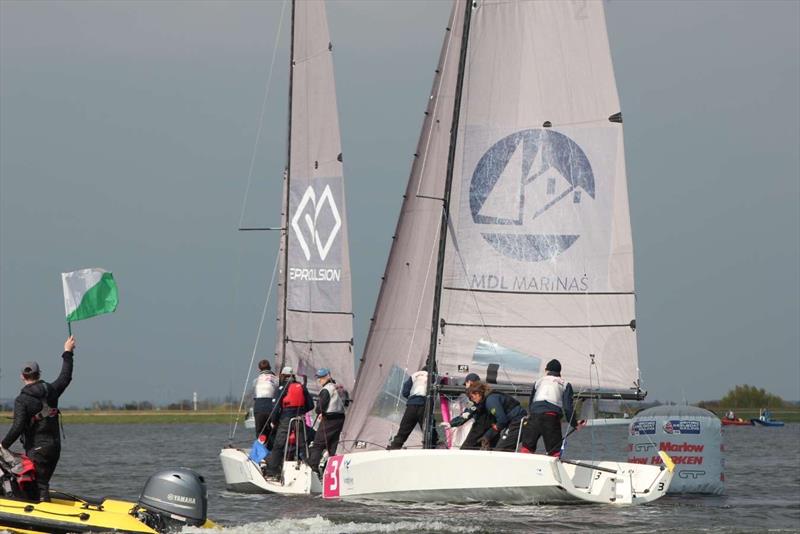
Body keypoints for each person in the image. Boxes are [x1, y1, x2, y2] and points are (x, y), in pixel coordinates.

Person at [0, 336, 75, 502]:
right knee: (40, 484)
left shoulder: (22, 400)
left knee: (39, 487)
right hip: (54, 447)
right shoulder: (52, 390)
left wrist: (3, 445)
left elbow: (18, 426)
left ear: (22, 376)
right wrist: (67, 352)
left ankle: (44, 519)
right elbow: (65, 377)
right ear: (39, 374)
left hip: (38, 449)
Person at [520, 359, 582, 456]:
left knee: (527, 448)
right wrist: (574, 424)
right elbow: (567, 408)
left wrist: (532, 417)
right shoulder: (565, 384)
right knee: (554, 451)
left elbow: (531, 403)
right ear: (559, 372)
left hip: (534, 416)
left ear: (546, 370)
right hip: (551, 418)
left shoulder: (538, 382)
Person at [263, 367, 314, 479]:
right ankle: (310, 469)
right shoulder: (301, 387)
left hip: (286, 419)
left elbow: (275, 408)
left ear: (283, 376)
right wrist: (301, 411)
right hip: (299, 419)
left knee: (278, 445)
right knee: (302, 445)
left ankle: (272, 472)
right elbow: (311, 405)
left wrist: (274, 421)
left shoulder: (281, 388)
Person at [387, 365, 438, 450]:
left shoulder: (414, 375)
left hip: (411, 406)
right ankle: (432, 449)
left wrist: (412, 398)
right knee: (429, 432)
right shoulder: (434, 376)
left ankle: (393, 448)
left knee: (403, 431)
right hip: (425, 406)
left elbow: (405, 392)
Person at [306, 368, 346, 475]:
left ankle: (312, 467)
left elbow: (320, 407)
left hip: (329, 419)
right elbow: (346, 402)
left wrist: (318, 411)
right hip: (340, 419)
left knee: (318, 444)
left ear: (327, 377)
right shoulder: (339, 387)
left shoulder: (326, 390)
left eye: (321, 378)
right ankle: (331, 470)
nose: (319, 380)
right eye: (319, 378)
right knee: (333, 445)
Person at [466, 382, 527, 451]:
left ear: (477, 393)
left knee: (500, 450)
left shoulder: (491, 401)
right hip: (514, 421)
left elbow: (502, 420)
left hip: (518, 422)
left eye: (471, 397)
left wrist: (488, 436)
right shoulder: (490, 397)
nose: (471, 399)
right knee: (502, 448)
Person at [444, 373, 495, 450]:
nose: (465, 387)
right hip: (491, 426)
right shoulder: (484, 394)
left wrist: (451, 423)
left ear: (470, 382)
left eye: (466, 384)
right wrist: (451, 423)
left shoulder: (475, 398)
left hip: (480, 426)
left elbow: (468, 412)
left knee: (467, 447)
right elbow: (468, 412)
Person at [252, 359, 278, 440]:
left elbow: (255, 394)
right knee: (272, 430)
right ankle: (272, 448)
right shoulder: (275, 379)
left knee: (260, 431)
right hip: (271, 406)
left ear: (259, 369)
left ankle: (261, 448)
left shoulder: (256, 380)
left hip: (258, 406)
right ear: (270, 368)